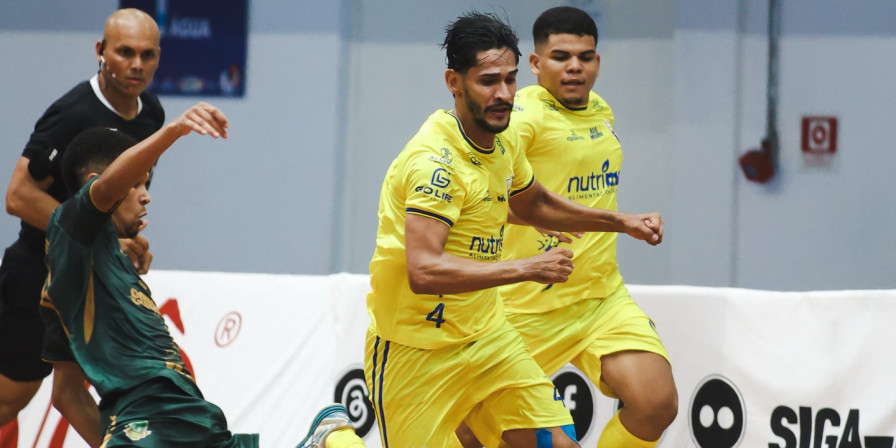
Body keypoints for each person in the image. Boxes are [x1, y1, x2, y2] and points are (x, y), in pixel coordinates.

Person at [365, 11, 664, 448]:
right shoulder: (435, 165)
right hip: (417, 350)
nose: (505, 94)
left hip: (489, 339)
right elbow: (424, 271)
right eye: (489, 81)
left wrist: (620, 223)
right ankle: (338, 440)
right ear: (454, 82)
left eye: (509, 79)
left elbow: (534, 203)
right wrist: (527, 267)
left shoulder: (501, 142)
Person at [40, 104, 368, 448]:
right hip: (147, 423)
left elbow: (67, 394)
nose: (146, 195)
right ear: (95, 184)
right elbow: (66, 394)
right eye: (135, 182)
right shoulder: (67, 226)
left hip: (183, 417)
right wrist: (174, 131)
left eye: (147, 183)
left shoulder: (108, 265)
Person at [460, 7, 678, 448]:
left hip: (598, 298)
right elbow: (480, 198)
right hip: (521, 310)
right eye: (561, 56)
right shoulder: (521, 119)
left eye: (587, 56)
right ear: (536, 64)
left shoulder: (601, 111)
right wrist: (542, 217)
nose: (575, 66)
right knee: (468, 433)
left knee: (656, 402)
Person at [0, 8, 164, 446]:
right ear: (100, 52)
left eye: (148, 55)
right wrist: (98, 235)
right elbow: (18, 196)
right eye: (125, 52)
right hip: (40, 271)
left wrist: (128, 241)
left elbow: (118, 200)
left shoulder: (151, 115)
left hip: (95, 278)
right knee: (9, 399)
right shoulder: (72, 113)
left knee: (75, 392)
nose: (137, 65)